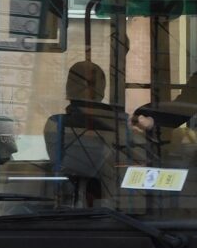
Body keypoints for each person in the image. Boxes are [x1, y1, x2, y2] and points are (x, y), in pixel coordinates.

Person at [43, 60, 141, 204]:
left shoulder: (55, 124)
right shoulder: (119, 125)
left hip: (101, 203)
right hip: (108, 203)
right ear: (101, 89)